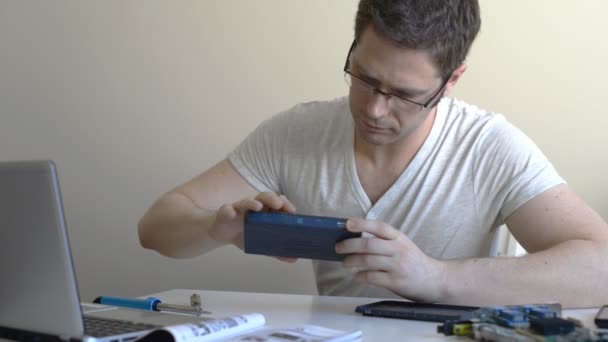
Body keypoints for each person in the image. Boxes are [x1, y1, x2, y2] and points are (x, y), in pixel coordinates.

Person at [138, 0, 608, 308]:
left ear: (453, 80)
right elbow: (156, 228)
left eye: (406, 94)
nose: (375, 110)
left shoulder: (488, 147)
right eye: (364, 78)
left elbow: (601, 266)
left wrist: (435, 278)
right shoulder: (295, 133)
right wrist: (215, 228)